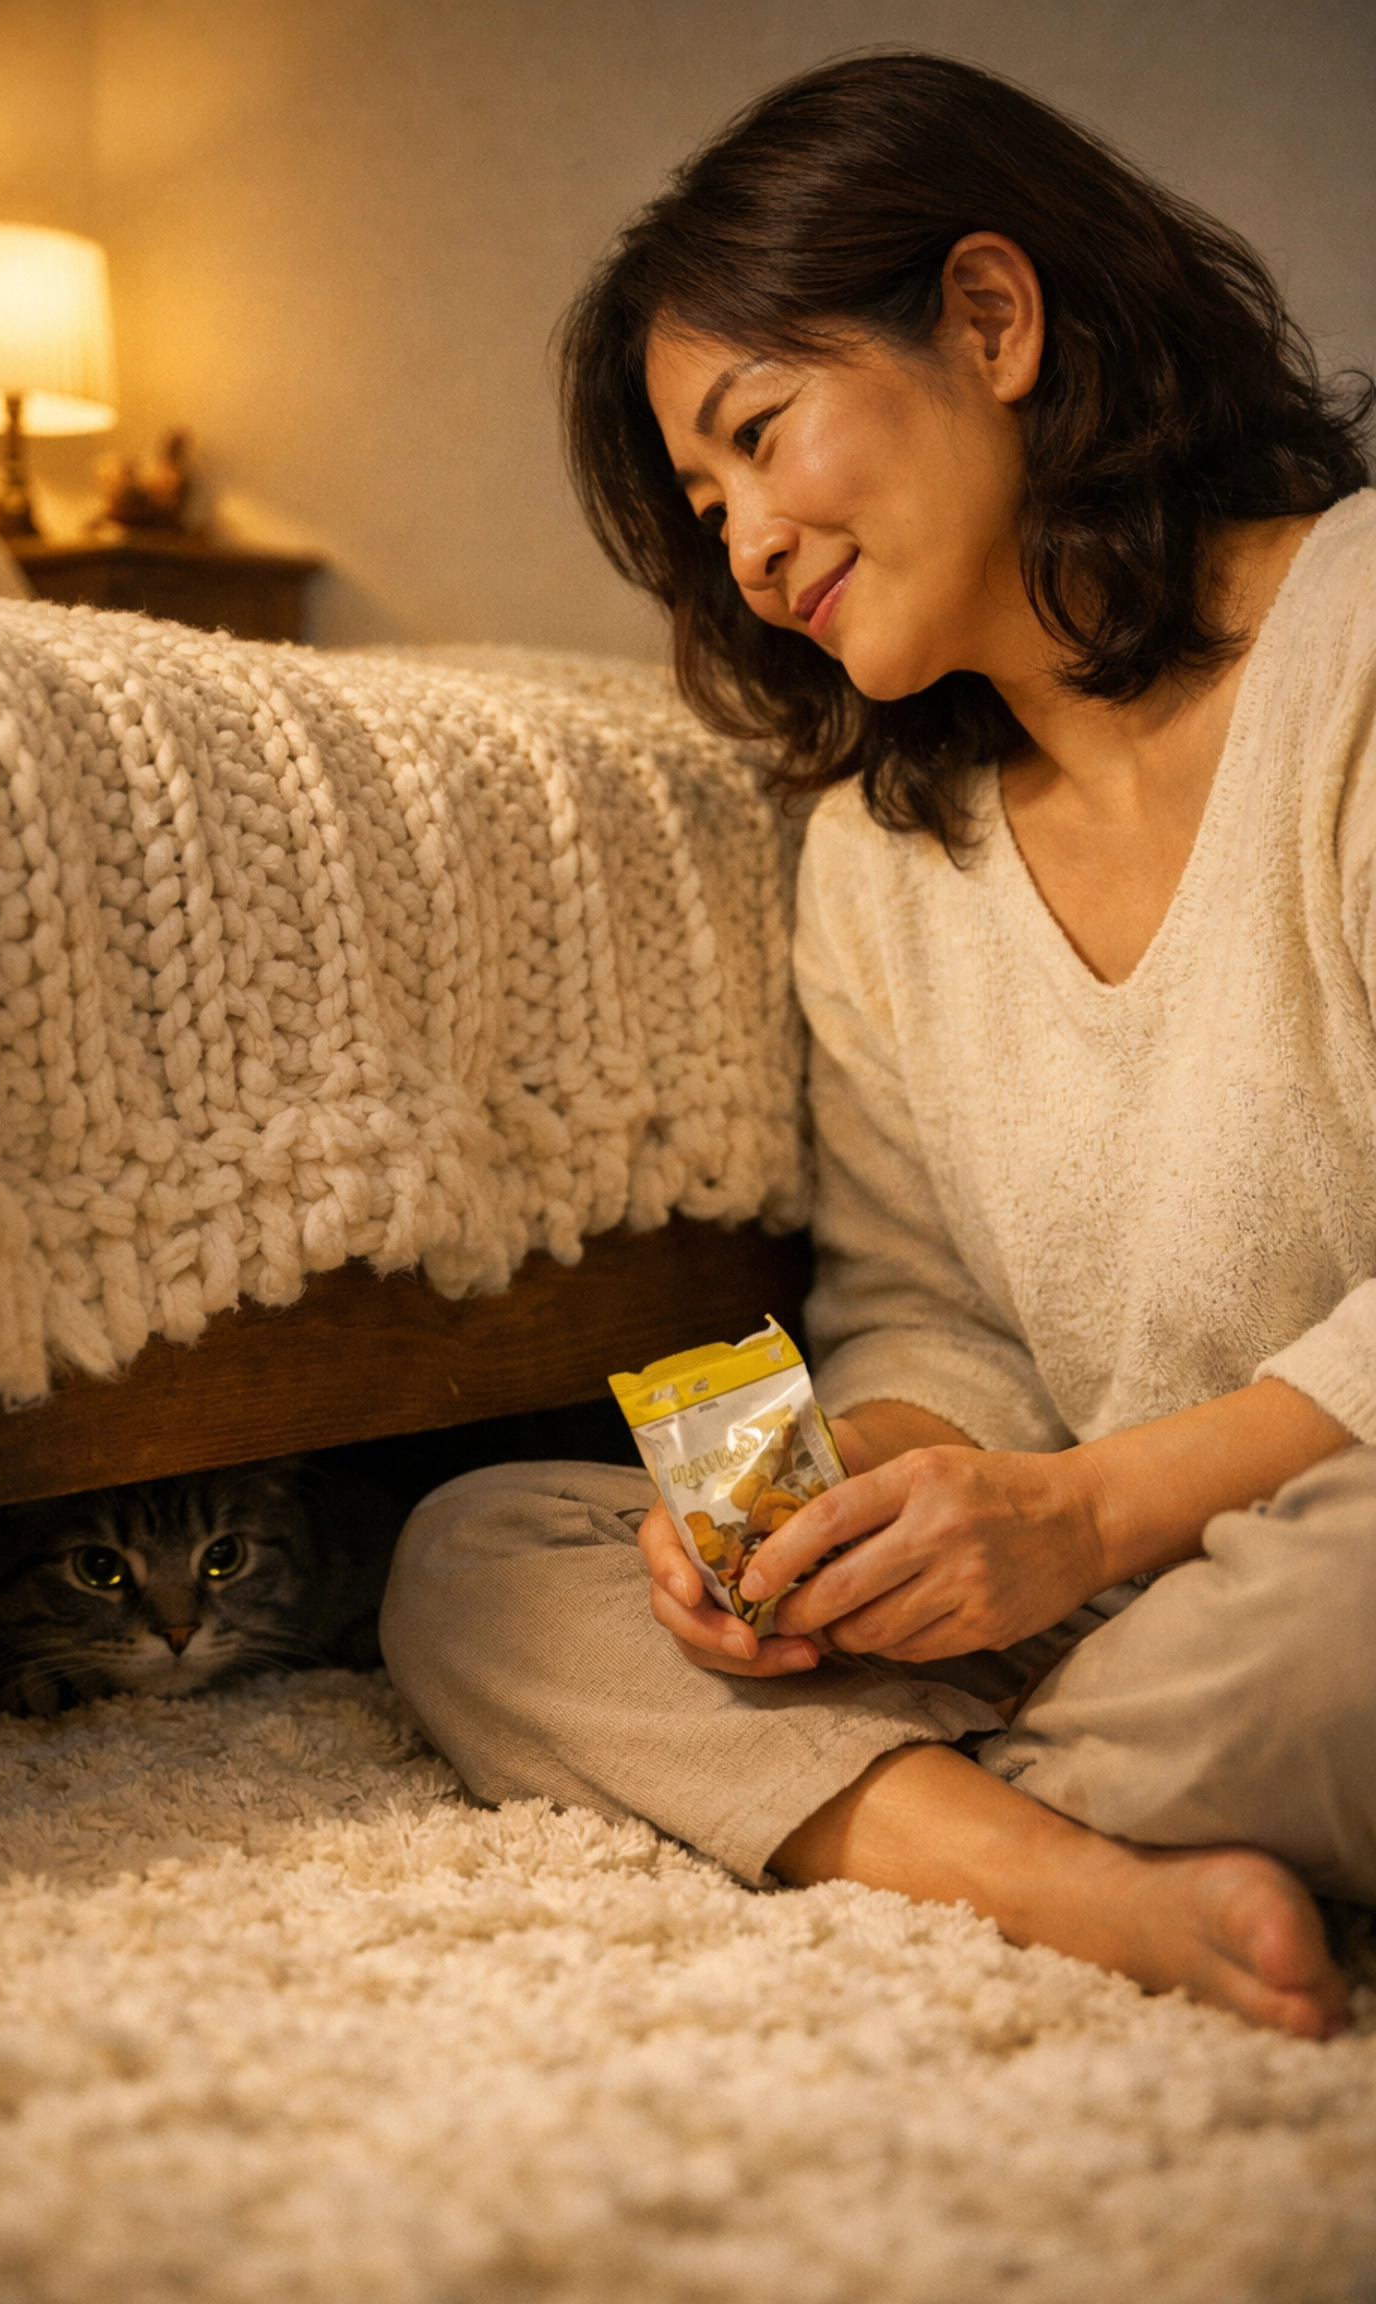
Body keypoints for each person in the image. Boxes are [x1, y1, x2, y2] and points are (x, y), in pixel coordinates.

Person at [380, 52, 1376, 2038]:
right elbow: (935, 1317)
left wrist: (1089, 1514)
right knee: (473, 1557)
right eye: (704, 500)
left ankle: (917, 1825)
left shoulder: (1357, 654)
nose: (744, 543)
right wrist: (831, 1495)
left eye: (759, 434)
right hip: (1113, 1601)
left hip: (1315, 1550)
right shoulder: (880, 857)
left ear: (992, 321)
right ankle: (1069, 1867)